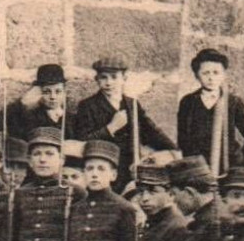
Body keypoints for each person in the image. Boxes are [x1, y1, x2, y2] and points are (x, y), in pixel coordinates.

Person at [70, 57, 175, 191]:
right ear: (97, 79)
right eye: (103, 77)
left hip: (131, 165)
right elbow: (83, 140)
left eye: (114, 77)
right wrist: (111, 128)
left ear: (124, 79)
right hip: (106, 166)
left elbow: (151, 130)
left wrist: (174, 149)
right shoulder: (88, 105)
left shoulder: (132, 104)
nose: (108, 83)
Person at [176, 48, 244, 173]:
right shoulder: (188, 102)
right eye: (206, 73)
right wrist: (190, 161)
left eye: (216, 73)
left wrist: (241, 162)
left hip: (228, 166)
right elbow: (182, 137)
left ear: (223, 75)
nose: (211, 78)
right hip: (198, 169)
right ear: (197, 75)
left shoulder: (233, 103)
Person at [6, 64, 71, 141]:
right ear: (38, 93)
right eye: (46, 92)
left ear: (64, 92)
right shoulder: (31, 118)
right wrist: (23, 102)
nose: (52, 97)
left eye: (58, 92)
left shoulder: (71, 119)